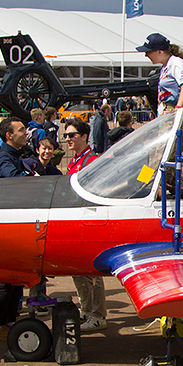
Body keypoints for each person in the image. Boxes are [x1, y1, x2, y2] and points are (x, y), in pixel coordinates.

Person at [0, 117, 33, 341]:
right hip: (6, 225)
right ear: (9, 135)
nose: (26, 133)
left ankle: (9, 320)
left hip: (13, 223)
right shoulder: (5, 158)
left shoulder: (15, 155)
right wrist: (29, 177)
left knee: (14, 279)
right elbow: (14, 182)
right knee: (6, 280)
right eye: (22, 130)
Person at [64, 118, 108, 332]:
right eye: (65, 135)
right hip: (74, 221)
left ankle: (98, 315)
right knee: (77, 271)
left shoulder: (91, 160)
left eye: (71, 135)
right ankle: (86, 309)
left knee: (91, 273)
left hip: (88, 222)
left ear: (83, 137)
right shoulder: (73, 160)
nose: (67, 139)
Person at [137, 33, 183, 114]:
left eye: (148, 52)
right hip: (166, 110)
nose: (146, 55)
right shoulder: (165, 66)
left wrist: (177, 110)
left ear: (160, 52)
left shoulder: (176, 63)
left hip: (174, 110)